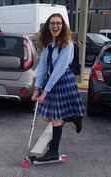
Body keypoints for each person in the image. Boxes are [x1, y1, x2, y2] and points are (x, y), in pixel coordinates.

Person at [31, 13, 85, 163]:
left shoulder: (67, 46)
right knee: (46, 117)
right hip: (51, 82)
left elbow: (59, 70)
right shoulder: (48, 46)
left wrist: (45, 92)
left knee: (55, 118)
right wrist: (36, 89)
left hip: (63, 81)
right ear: (48, 26)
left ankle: (53, 152)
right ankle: (73, 117)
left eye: (58, 23)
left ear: (63, 26)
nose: (55, 26)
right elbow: (42, 68)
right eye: (52, 23)